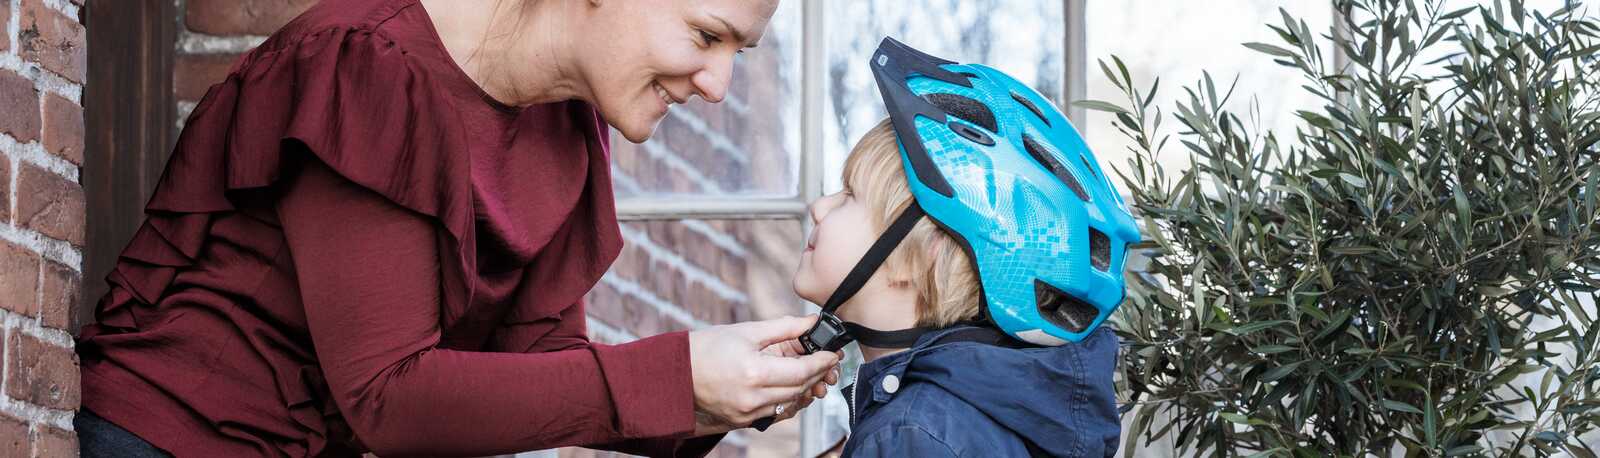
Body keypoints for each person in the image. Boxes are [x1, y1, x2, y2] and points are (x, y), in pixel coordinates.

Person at [74, 0, 839, 456]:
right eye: (707, 36)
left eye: (742, 50)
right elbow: (390, 394)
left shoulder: (572, 128)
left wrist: (725, 398)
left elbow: (539, 366)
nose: (718, 86)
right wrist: (677, 376)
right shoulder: (371, 69)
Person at [789, 38, 1139, 457]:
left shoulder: (914, 436)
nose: (818, 207)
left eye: (849, 194)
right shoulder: (968, 421)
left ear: (924, 252)